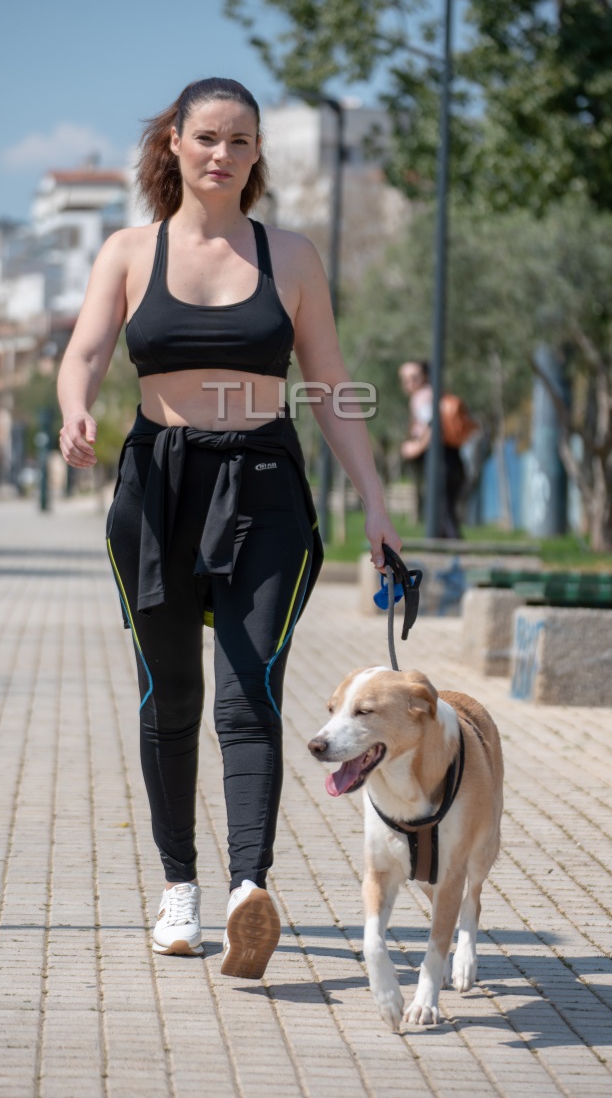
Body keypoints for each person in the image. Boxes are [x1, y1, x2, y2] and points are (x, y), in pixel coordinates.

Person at [57, 77, 401, 979]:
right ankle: (179, 887)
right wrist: (74, 405)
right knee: (170, 695)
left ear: (257, 156)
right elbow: (86, 348)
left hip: (265, 491)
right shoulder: (129, 251)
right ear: (173, 142)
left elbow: (330, 385)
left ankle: (250, 888)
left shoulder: (290, 256)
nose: (223, 153)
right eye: (207, 137)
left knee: (251, 694)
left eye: (241, 141)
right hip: (158, 488)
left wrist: (374, 498)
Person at [399, 360, 465, 539]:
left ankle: (457, 551)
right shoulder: (436, 394)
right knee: (445, 511)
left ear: (425, 377)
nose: (409, 383)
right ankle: (447, 549)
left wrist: (415, 448)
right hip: (451, 457)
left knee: (443, 512)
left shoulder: (422, 397)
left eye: (414, 377)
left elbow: (433, 425)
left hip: (440, 459)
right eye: (405, 379)